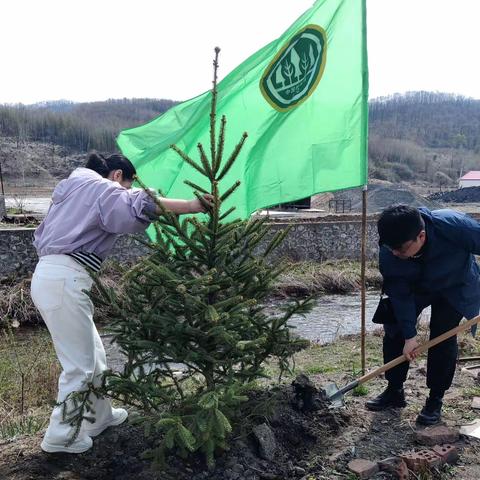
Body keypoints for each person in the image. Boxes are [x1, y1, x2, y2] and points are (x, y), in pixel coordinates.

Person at [31, 151, 212, 453]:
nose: (125, 190)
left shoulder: (71, 190)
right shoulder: (102, 188)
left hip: (52, 275)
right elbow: (140, 203)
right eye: (126, 184)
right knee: (80, 366)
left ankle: (98, 417)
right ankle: (61, 436)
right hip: (67, 278)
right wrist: (193, 206)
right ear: (117, 176)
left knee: (94, 355)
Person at [366, 204, 480, 425]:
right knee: (395, 329)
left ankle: (435, 399)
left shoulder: (453, 225)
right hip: (416, 288)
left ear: (421, 235)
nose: (397, 254)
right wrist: (410, 336)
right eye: (392, 249)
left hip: (455, 286)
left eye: (402, 249)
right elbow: (399, 294)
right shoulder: (391, 252)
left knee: (443, 337)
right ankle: (394, 390)